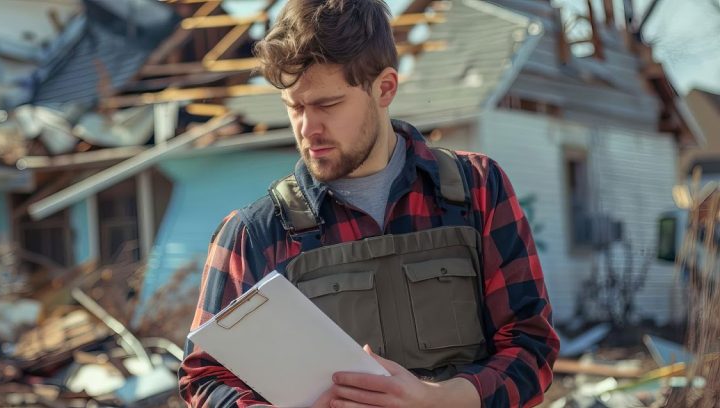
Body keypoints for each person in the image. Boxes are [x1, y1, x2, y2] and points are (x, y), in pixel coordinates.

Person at [177, 0, 559, 407]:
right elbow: (204, 377)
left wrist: (437, 400)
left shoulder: (477, 190)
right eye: (294, 107)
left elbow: (530, 346)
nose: (308, 128)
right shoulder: (254, 233)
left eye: (327, 105)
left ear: (385, 88)